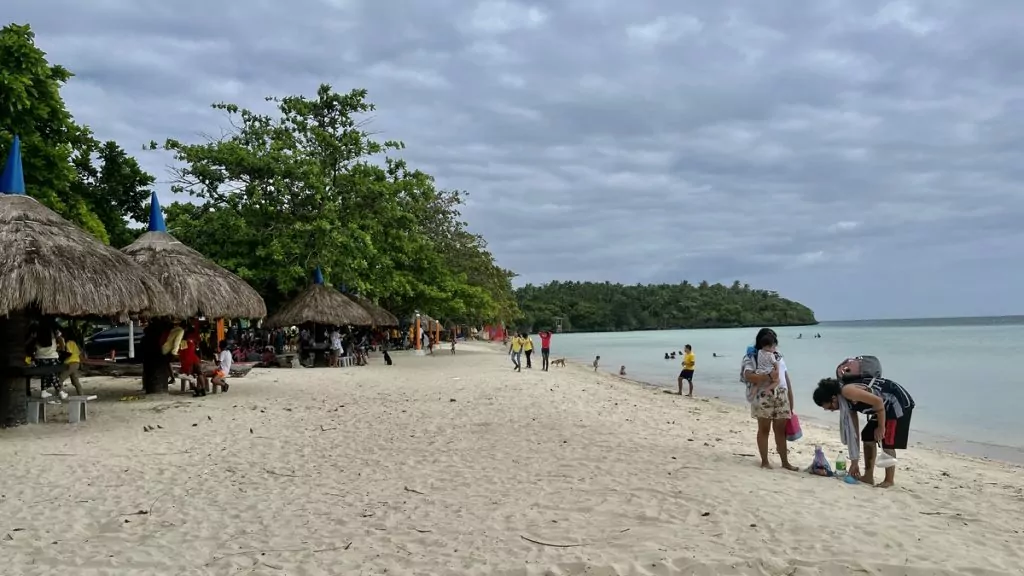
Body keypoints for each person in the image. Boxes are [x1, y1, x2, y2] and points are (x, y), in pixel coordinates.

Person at [813, 356, 915, 488]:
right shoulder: (847, 405)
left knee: (887, 441)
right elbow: (853, 432)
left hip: (896, 401)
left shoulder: (847, 391)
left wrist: (880, 427)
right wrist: (854, 463)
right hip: (881, 408)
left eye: (831, 407)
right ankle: (868, 476)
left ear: (833, 398)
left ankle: (889, 480)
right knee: (867, 436)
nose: (833, 410)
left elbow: (878, 402)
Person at [741, 328, 798, 471]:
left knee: (781, 429)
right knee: (764, 429)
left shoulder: (777, 356)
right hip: (763, 394)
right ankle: (765, 461)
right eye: (770, 344)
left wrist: (791, 399)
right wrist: (768, 377)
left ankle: (785, 462)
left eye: (774, 344)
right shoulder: (751, 356)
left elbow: (785, 378)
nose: (773, 347)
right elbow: (748, 376)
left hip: (781, 393)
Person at [59, 328, 84, 396]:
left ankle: (60, 394)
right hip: (76, 363)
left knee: (60, 379)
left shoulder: (68, 343)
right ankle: (81, 394)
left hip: (71, 363)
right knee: (75, 381)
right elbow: (79, 354)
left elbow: (68, 353)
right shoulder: (74, 343)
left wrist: (61, 356)